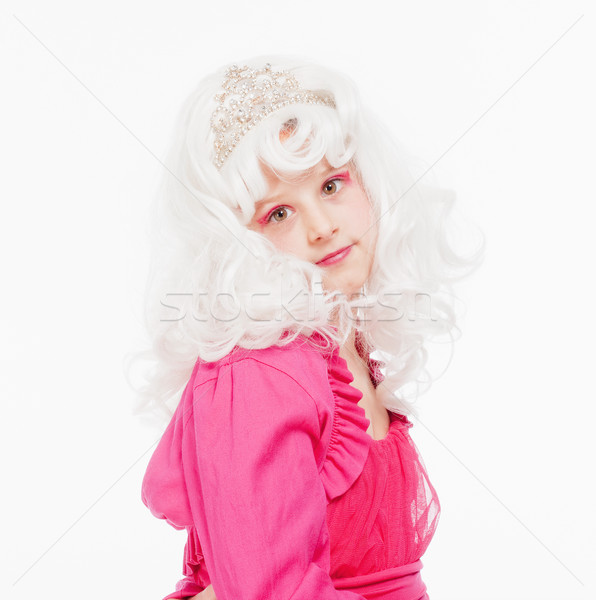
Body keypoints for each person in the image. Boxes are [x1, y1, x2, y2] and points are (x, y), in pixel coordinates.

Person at [137, 57, 480, 600]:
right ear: (235, 244)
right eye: (278, 214)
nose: (323, 228)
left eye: (331, 185)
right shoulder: (257, 373)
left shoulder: (340, 341)